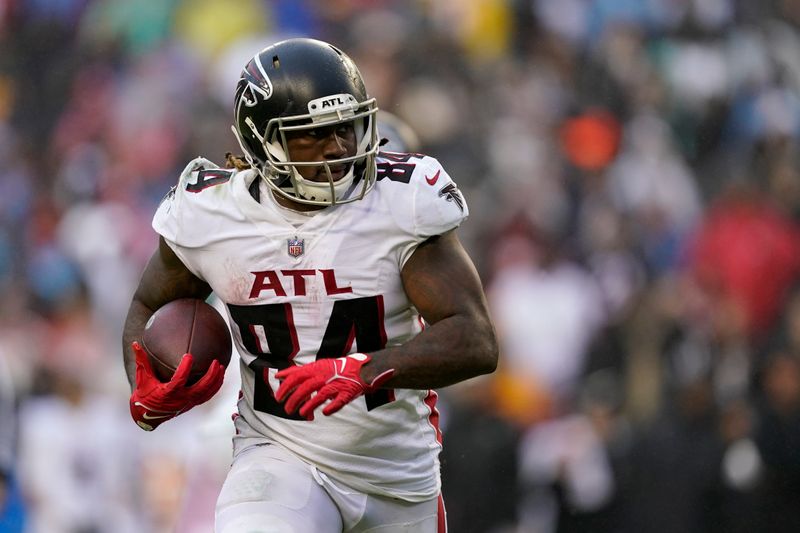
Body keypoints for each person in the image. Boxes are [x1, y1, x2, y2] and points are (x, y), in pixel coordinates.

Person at [121, 37, 498, 532]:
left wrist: (363, 370)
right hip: (279, 455)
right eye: (314, 134)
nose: (339, 148)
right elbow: (147, 307)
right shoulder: (211, 215)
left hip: (399, 477)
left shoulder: (400, 201)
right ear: (261, 142)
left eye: (346, 128)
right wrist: (145, 386)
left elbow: (476, 340)